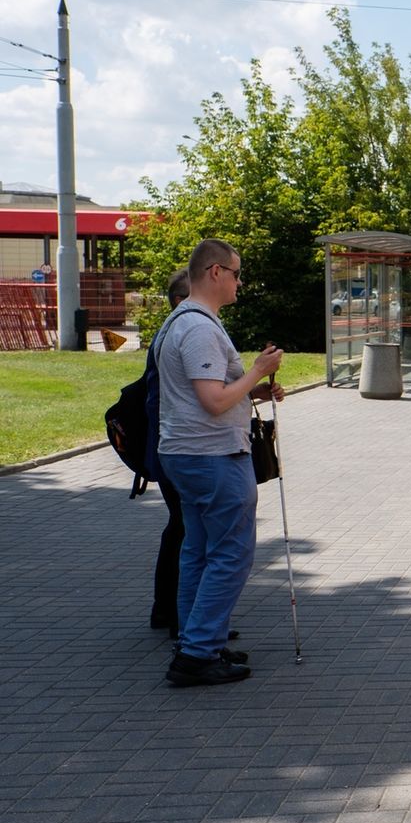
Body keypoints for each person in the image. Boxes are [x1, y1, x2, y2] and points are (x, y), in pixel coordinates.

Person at [156, 239, 284, 687]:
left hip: (186, 453)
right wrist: (258, 372)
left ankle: (195, 639)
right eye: (235, 272)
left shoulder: (181, 321)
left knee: (199, 550)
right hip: (211, 455)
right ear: (214, 272)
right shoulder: (200, 328)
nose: (239, 281)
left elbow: (210, 395)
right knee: (231, 553)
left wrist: (256, 392)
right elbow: (212, 402)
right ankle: (197, 653)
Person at [148, 269, 191, 639]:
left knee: (178, 527)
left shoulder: (171, 331)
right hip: (176, 450)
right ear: (180, 300)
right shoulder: (180, 332)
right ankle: (183, 620)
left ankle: (168, 611)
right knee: (187, 529)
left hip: (167, 449)